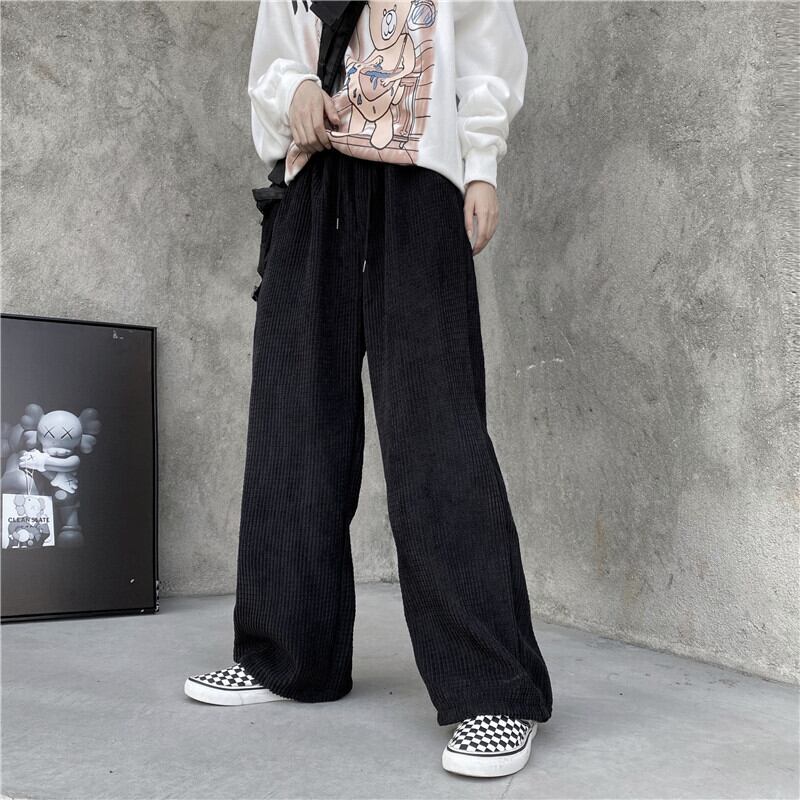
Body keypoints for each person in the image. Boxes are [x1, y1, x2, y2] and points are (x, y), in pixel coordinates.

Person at [184, 0, 553, 778]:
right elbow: (275, 55)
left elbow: (488, 54)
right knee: (294, 417)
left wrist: (482, 167)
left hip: (421, 184)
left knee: (436, 426)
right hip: (314, 182)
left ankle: (492, 689)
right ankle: (288, 658)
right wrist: (293, 92)